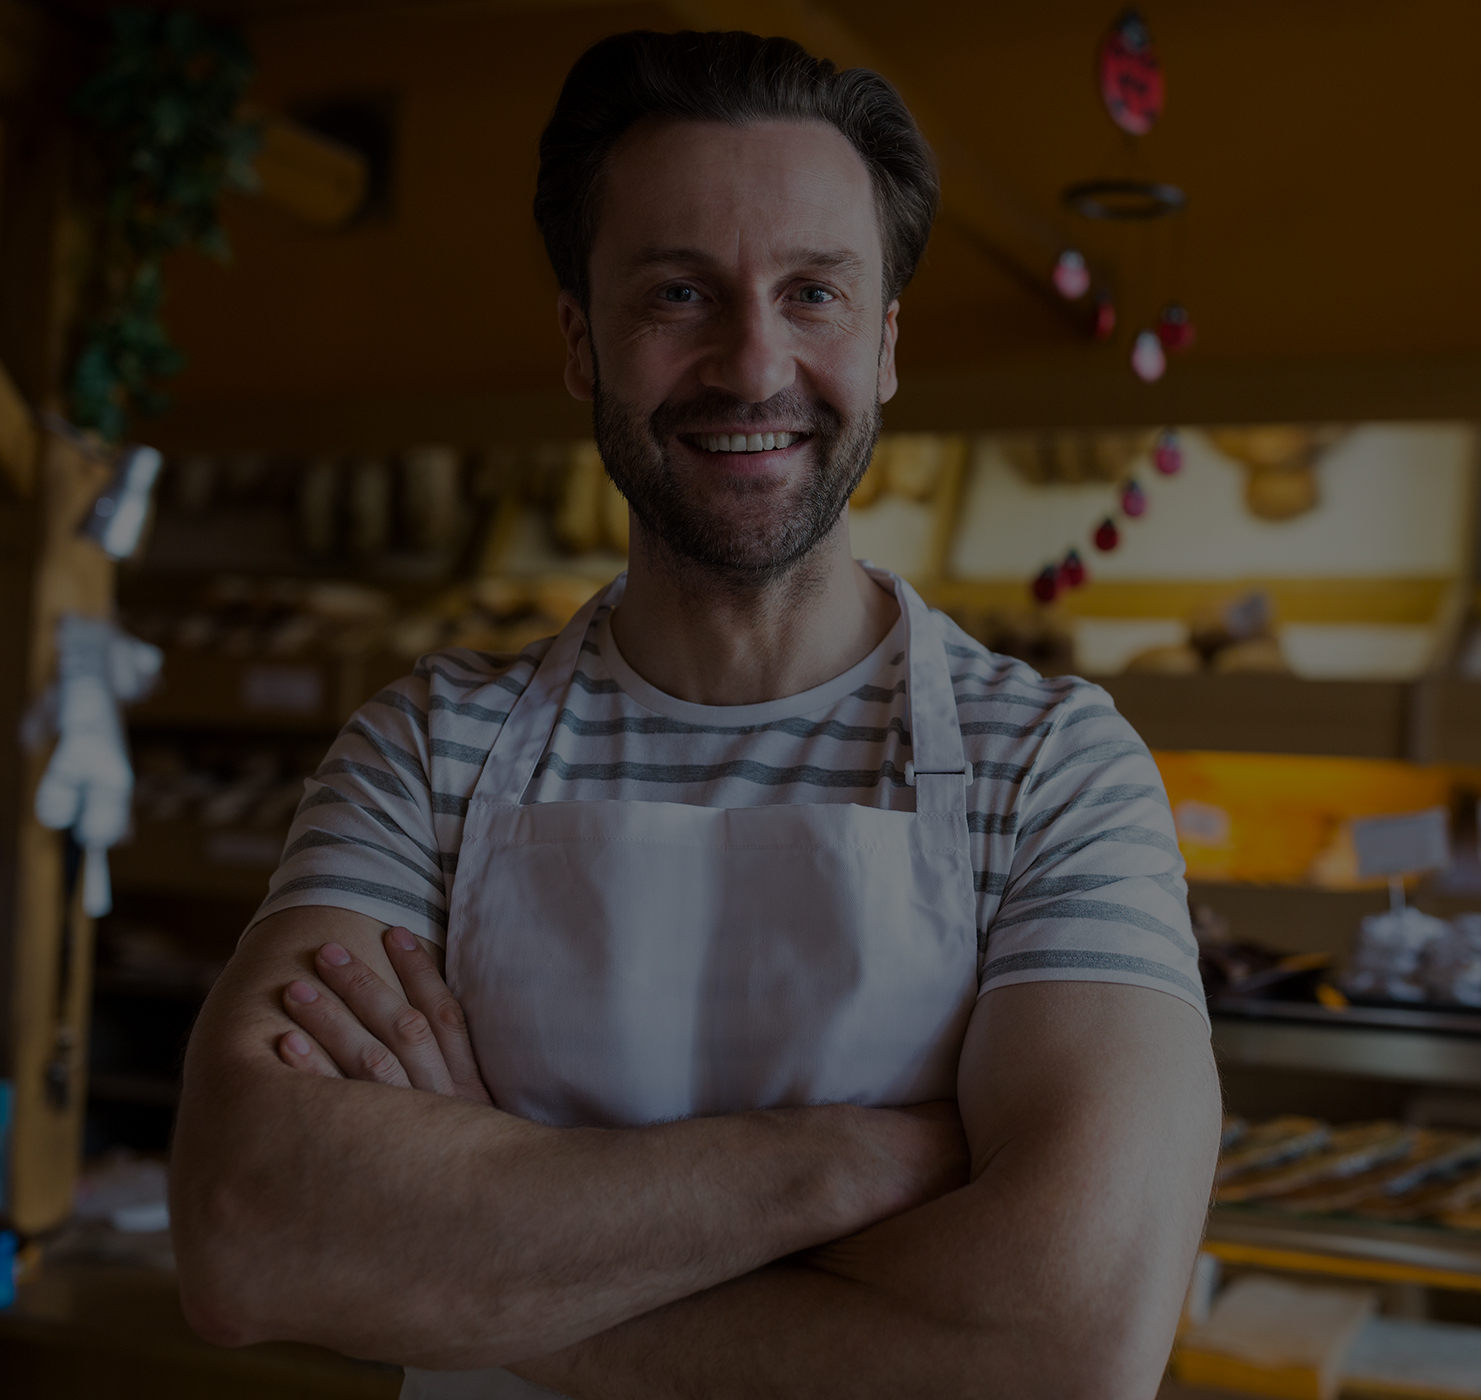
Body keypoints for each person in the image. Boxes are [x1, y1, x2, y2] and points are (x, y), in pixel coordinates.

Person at [171, 29, 1219, 1400]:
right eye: (679, 292)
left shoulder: (1056, 769)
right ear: (578, 338)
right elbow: (249, 1232)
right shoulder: (427, 749)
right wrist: (852, 1162)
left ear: (887, 344)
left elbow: (1069, 1346)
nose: (753, 364)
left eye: (815, 294)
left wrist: (464, 1272)